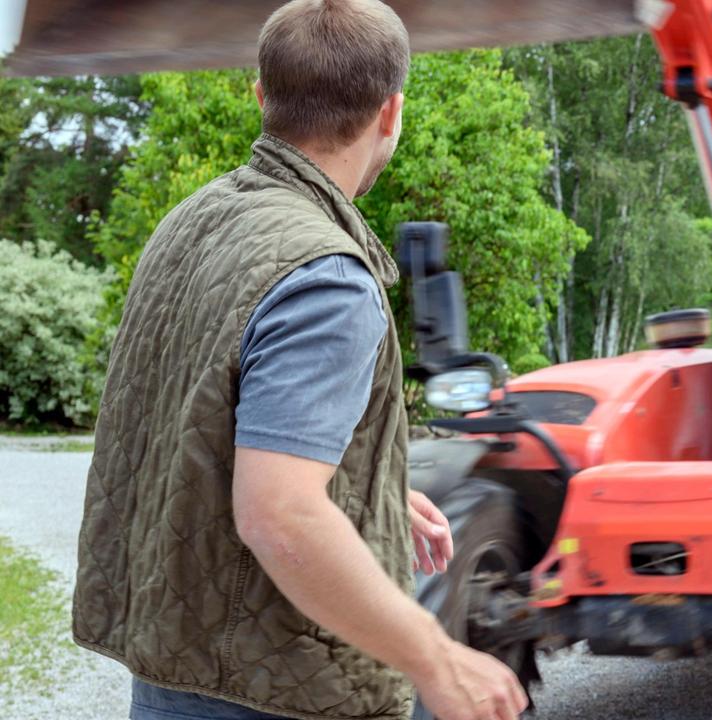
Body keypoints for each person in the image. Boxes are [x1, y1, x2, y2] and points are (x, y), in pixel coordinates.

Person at [71, 2, 527, 720]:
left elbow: (205, 424)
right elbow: (279, 517)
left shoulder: (192, 222)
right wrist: (435, 658)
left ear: (262, 95)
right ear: (392, 112)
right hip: (271, 690)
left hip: (176, 666)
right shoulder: (326, 277)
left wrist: (358, 488)